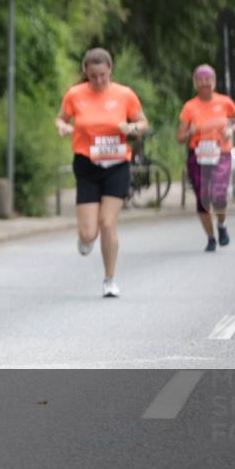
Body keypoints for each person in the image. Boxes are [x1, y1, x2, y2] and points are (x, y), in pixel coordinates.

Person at [55, 48, 148, 298]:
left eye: (103, 76)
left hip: (117, 164)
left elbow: (143, 123)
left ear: (110, 71)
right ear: (85, 73)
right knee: (89, 233)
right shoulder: (75, 95)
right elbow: (61, 119)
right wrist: (63, 127)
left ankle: (110, 279)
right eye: (93, 76)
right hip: (87, 164)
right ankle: (84, 239)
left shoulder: (124, 95)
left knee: (108, 223)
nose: (98, 81)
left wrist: (131, 127)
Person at [177, 64, 235, 251]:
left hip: (221, 153)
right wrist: (190, 132)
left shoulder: (225, 102)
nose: (204, 83)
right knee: (203, 198)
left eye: (208, 80)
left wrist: (231, 129)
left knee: (219, 196)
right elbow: (180, 137)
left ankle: (222, 225)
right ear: (195, 83)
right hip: (198, 156)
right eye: (200, 80)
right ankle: (211, 237)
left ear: (214, 81)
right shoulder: (189, 107)